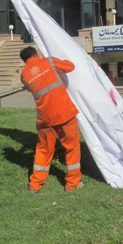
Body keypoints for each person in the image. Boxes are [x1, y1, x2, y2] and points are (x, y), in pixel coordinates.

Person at [19, 46, 82, 194]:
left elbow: (30, 87)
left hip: (45, 117)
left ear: (24, 60)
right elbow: (71, 67)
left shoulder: (24, 74)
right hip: (64, 113)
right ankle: (72, 184)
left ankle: (35, 184)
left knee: (44, 150)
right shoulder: (49, 62)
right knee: (71, 147)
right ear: (35, 54)